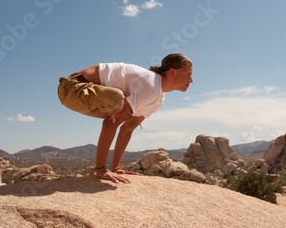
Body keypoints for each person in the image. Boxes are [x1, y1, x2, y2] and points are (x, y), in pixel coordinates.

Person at [57, 53, 193, 183]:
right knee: (118, 100)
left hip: (86, 96)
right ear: (172, 72)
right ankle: (100, 168)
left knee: (120, 106)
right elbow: (110, 124)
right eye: (187, 74)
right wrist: (101, 170)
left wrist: (116, 169)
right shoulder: (150, 85)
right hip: (71, 88)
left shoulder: (159, 98)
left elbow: (127, 129)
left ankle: (112, 167)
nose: (191, 80)